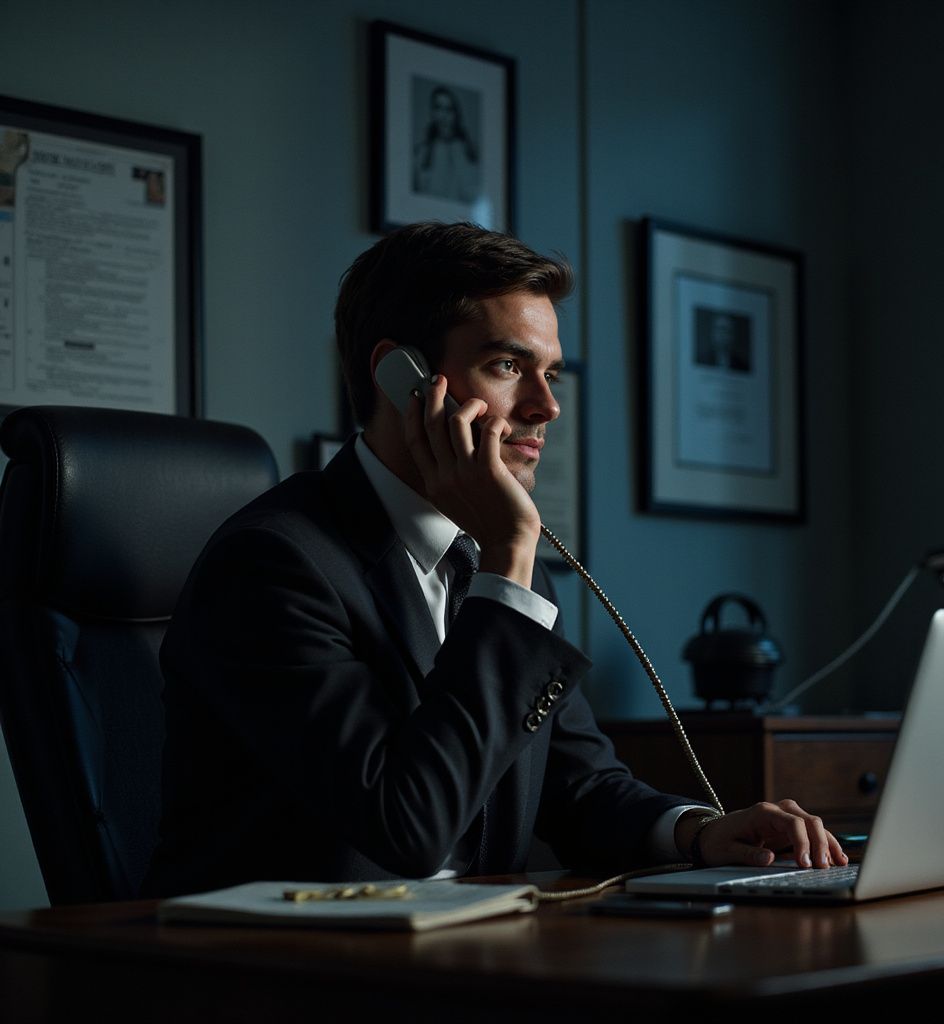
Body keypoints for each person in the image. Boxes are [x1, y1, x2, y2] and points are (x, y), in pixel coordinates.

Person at [144, 222, 845, 897]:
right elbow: (407, 827)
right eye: (508, 365)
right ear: (401, 377)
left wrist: (699, 833)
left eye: (551, 375)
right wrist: (510, 555)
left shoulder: (500, 571)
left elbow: (578, 785)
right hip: (284, 977)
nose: (545, 407)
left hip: (472, 959)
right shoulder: (276, 564)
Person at [413, 86, 480, 202]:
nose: (443, 116)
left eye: (449, 109)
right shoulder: (421, 153)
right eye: (438, 108)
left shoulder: (470, 152)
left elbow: (473, 195)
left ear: (456, 114)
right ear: (432, 112)